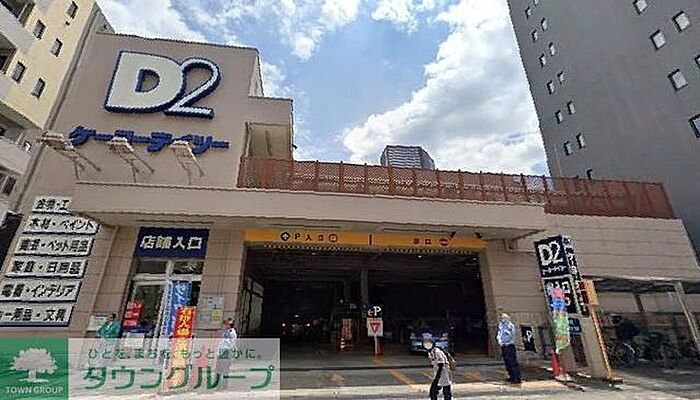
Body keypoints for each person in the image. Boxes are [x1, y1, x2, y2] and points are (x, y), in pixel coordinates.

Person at [497, 313, 522, 384]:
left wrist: (507, 342)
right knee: (507, 362)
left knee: (512, 362)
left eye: (504, 318)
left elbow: (512, 336)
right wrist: (500, 341)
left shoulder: (510, 326)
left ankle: (516, 378)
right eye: (502, 318)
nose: (503, 320)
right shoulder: (501, 326)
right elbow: (499, 334)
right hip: (503, 346)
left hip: (509, 345)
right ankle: (511, 376)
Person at [424, 336, 452, 400]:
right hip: (437, 371)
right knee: (439, 387)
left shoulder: (437, 351)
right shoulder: (431, 352)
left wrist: (438, 375)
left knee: (444, 386)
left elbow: (441, 363)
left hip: (442, 371)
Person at [216, 318, 238, 390]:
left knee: (225, 370)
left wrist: (227, 340)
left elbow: (232, 344)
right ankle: (218, 384)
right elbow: (221, 343)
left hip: (226, 352)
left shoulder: (232, 333)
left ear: (229, 325)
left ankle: (224, 386)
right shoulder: (225, 332)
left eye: (226, 324)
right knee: (218, 369)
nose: (225, 325)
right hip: (221, 352)